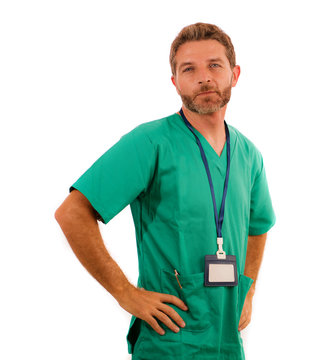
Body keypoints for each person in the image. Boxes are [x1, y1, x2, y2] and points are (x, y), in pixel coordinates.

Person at [55, 22, 275, 359]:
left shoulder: (248, 155)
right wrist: (125, 293)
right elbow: (72, 212)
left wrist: (249, 288)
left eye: (215, 65)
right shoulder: (150, 142)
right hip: (168, 341)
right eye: (189, 69)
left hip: (227, 342)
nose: (204, 77)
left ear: (235, 74)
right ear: (175, 82)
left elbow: (258, 225)